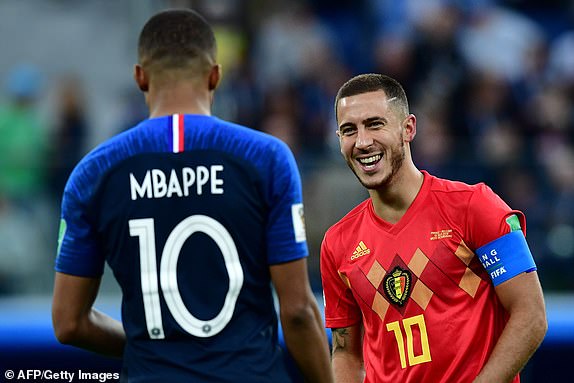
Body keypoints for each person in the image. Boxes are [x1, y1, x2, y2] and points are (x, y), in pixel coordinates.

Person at [52, 9, 332, 383]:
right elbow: (297, 311)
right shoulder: (266, 158)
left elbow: (68, 323)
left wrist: (149, 347)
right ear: (216, 74)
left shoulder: (93, 173)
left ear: (140, 77)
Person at [320, 73, 547, 383]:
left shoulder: (475, 206)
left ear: (408, 128)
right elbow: (345, 352)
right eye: (349, 130)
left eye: (375, 124)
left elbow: (531, 314)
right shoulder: (337, 243)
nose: (362, 142)